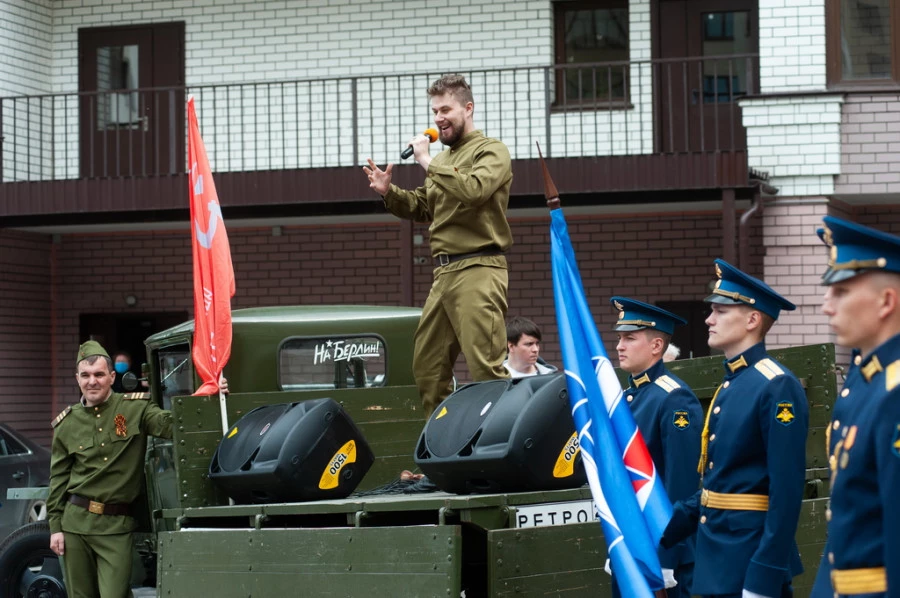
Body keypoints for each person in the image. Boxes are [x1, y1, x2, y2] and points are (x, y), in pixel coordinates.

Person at [363, 74, 513, 417]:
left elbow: (474, 190)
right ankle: (446, 446)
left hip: (479, 267)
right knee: (428, 370)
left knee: (486, 367)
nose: (437, 118)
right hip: (443, 274)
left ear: (468, 108)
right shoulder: (442, 161)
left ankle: (499, 448)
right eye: (434, 111)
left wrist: (426, 162)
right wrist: (390, 193)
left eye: (445, 109)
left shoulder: (491, 151)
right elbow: (425, 207)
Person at [661, 259, 808, 598]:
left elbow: (785, 491)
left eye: (720, 311)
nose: (709, 319)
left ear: (752, 319)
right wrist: (665, 528)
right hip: (720, 552)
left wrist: (765, 573)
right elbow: (725, 476)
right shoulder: (734, 381)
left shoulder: (776, 385)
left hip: (750, 559)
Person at [808, 216, 900, 598]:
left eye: (841, 292)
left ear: (887, 301)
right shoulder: (864, 386)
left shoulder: (893, 393)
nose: (827, 306)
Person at [48, 341, 173, 598]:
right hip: (75, 525)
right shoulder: (67, 424)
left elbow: (169, 425)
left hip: (116, 527)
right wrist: (55, 528)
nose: (92, 381)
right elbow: (58, 480)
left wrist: (208, 396)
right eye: (85, 375)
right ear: (77, 378)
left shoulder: (134, 408)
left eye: (99, 375)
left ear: (112, 376)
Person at [609, 297, 702, 598]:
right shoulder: (628, 397)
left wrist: (663, 565)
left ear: (656, 346)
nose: (619, 345)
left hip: (663, 555)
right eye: (620, 337)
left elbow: (681, 486)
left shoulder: (674, 398)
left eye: (630, 338)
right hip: (631, 546)